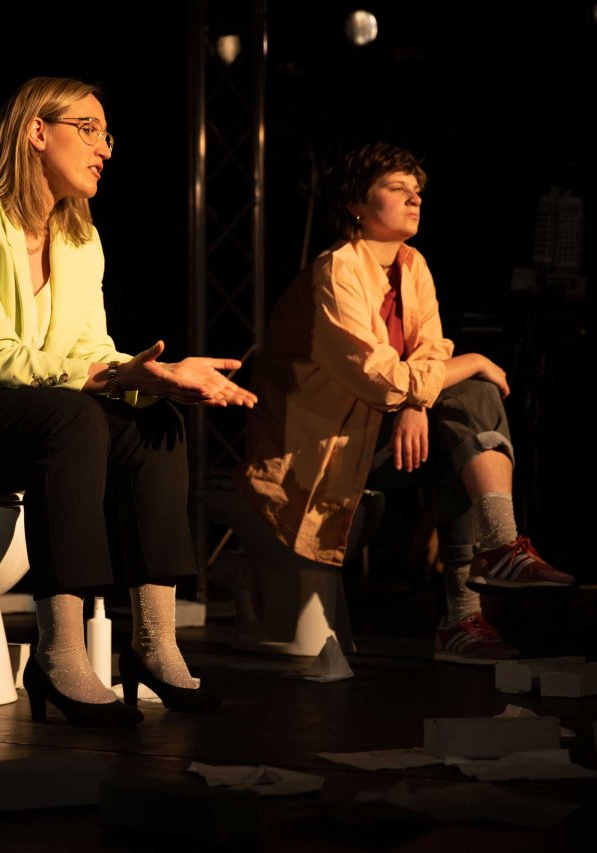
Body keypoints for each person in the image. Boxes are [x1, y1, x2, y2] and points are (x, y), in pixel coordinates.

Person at [0, 76, 257, 725]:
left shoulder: (80, 239)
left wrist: (155, 376)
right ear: (36, 131)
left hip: (16, 413)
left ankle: (154, 644)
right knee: (74, 415)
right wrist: (118, 376)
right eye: (88, 129)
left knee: (152, 421)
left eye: (107, 135)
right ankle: (60, 654)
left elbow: (91, 349)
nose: (104, 149)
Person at [235, 142, 574, 666]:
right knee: (474, 386)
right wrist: (469, 361)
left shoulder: (413, 265)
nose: (415, 199)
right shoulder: (337, 270)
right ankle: (488, 572)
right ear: (356, 203)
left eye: (417, 191)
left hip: (385, 433)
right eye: (397, 189)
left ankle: (477, 592)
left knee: (468, 426)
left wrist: (417, 404)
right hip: (323, 450)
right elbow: (380, 379)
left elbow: (429, 353)